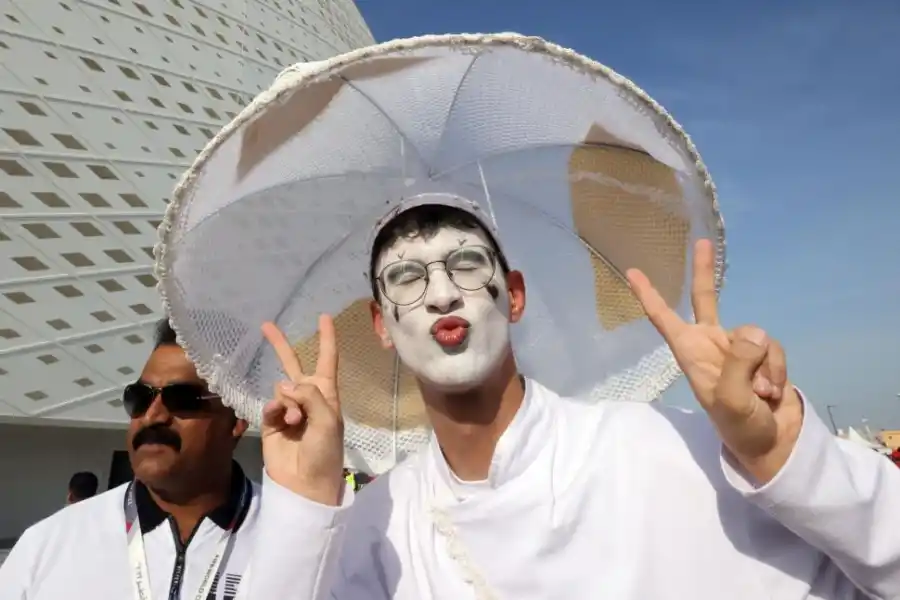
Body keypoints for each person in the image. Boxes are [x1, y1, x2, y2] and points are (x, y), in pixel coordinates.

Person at [249, 201, 900, 599]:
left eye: (467, 268)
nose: (443, 295)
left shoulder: (674, 451)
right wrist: (302, 509)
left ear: (516, 294)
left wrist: (788, 457)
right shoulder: (377, 525)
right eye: (409, 279)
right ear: (382, 326)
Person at [0, 319, 300, 599]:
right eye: (140, 397)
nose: (153, 416)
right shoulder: (50, 543)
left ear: (237, 418)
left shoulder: (299, 543)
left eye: (182, 399)